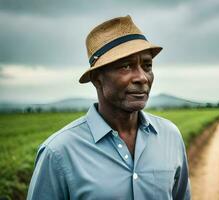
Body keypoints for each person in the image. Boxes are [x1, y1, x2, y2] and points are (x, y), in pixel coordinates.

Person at [27, 15, 191, 200]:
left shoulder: (170, 136)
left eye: (147, 66)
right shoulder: (58, 153)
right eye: (126, 66)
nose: (142, 77)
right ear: (97, 78)